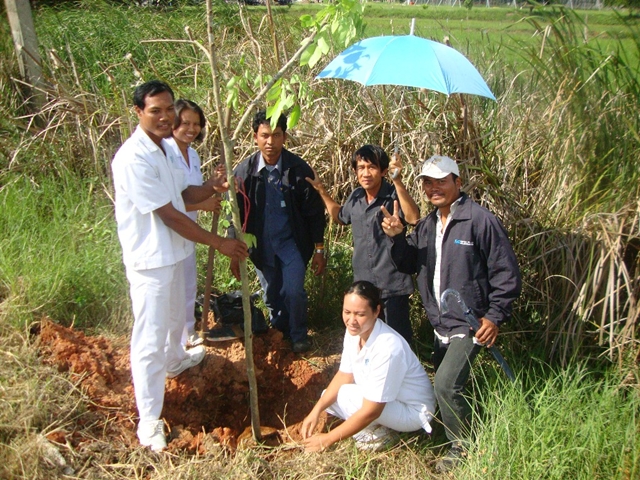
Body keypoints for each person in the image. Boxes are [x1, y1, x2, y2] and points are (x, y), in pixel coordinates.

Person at [111, 80, 248, 452]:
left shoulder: (165, 151)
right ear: (138, 112)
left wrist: (212, 187)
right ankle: (149, 420)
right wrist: (218, 242)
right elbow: (170, 214)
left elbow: (183, 195)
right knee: (150, 338)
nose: (164, 116)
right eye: (155, 110)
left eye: (168, 108)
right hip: (151, 261)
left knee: (175, 321)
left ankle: (175, 361)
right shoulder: (133, 157)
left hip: (173, 254)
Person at [380, 155, 521, 472]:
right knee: (447, 383)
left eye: (442, 181)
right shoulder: (428, 225)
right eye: (428, 182)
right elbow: (408, 263)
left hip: (470, 323)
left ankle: (463, 449)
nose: (434, 188)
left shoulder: (480, 220)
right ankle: (454, 430)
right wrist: (397, 237)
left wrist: (494, 316)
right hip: (439, 321)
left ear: (458, 182)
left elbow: (506, 273)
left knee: (445, 384)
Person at [229, 110, 326, 353]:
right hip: (262, 246)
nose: (270, 142)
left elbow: (315, 213)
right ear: (255, 137)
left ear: (285, 137)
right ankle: (280, 333)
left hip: (292, 244)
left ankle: (299, 335)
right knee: (271, 295)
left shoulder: (298, 170)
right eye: (265, 136)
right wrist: (234, 250)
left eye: (276, 135)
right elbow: (235, 215)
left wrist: (319, 249)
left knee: (294, 292)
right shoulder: (244, 173)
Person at [301, 280, 435, 452]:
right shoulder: (354, 332)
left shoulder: (388, 347)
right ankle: (378, 426)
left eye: (360, 314)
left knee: (346, 395)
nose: (351, 320)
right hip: (389, 401)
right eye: (347, 312)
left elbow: (372, 410)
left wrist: (328, 439)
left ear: (376, 311)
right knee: (329, 397)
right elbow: (345, 375)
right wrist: (316, 410)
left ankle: (379, 436)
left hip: (412, 412)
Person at [306, 145, 420, 344]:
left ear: (383, 171)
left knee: (397, 342)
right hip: (364, 287)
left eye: (372, 167)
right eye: (361, 168)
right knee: (367, 340)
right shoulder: (356, 196)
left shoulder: (393, 195)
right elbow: (340, 216)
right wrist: (320, 189)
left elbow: (413, 218)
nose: (366, 173)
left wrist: (397, 181)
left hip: (392, 285)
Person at [165, 99, 221, 348]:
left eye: (196, 124)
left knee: (188, 283)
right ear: (173, 122)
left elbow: (195, 190)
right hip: (170, 230)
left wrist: (214, 184)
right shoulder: (166, 153)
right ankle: (172, 340)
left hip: (190, 231)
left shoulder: (193, 154)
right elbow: (168, 201)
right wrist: (203, 204)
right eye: (185, 123)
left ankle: (187, 332)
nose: (191, 129)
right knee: (172, 288)